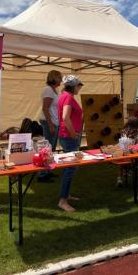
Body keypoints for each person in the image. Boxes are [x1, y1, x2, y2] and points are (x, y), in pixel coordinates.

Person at [57, 75, 84, 212]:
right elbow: (65, 117)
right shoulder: (68, 97)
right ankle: (63, 201)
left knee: (70, 167)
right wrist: (73, 133)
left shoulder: (64, 95)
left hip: (67, 136)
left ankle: (66, 194)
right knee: (70, 168)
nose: (80, 87)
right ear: (73, 86)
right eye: (79, 85)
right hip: (69, 136)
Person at [38, 70, 62, 182]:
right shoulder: (48, 90)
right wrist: (51, 125)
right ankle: (42, 174)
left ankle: (47, 171)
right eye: (60, 77)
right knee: (46, 149)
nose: (61, 80)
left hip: (53, 122)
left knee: (50, 149)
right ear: (55, 78)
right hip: (49, 123)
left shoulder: (53, 90)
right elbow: (45, 108)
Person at [116, 117, 138, 187]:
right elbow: (136, 144)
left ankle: (119, 178)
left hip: (121, 153)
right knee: (134, 163)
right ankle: (129, 173)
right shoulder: (136, 132)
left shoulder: (123, 131)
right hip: (131, 154)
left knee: (121, 164)